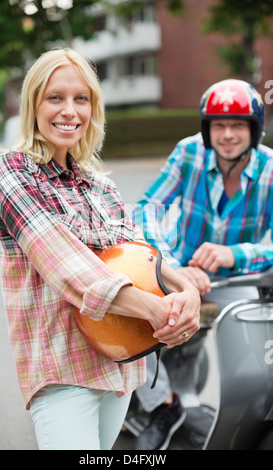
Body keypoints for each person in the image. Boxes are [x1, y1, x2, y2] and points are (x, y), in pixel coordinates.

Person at [0, 48, 201, 451]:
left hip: (120, 367)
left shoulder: (99, 183)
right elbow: (65, 264)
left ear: (93, 108)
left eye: (81, 99)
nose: (69, 111)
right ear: (33, 103)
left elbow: (140, 253)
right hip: (63, 371)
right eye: (55, 97)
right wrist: (157, 311)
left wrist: (185, 292)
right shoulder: (12, 170)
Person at [132, 78, 273, 450]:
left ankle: (255, 411)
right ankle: (163, 403)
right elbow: (146, 211)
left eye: (238, 125)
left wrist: (236, 253)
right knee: (134, 303)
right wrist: (177, 271)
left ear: (254, 130)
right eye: (219, 125)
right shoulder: (188, 153)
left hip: (240, 281)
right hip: (182, 275)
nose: (228, 134)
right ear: (207, 129)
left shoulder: (271, 168)